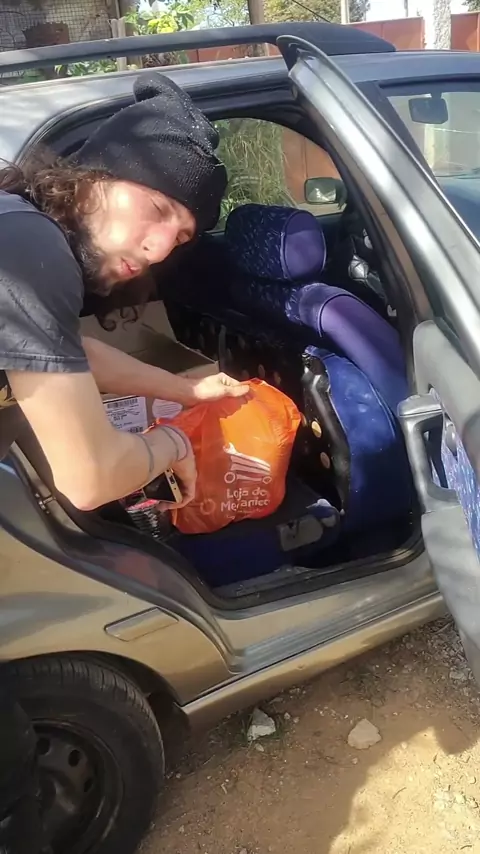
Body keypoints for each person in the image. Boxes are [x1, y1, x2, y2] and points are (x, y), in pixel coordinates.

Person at [0, 72, 247, 852]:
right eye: (159, 210)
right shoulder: (30, 248)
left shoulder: (20, 230)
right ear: (99, 177)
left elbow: (72, 353)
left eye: (182, 236)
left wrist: (184, 388)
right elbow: (91, 476)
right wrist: (179, 444)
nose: (159, 248)